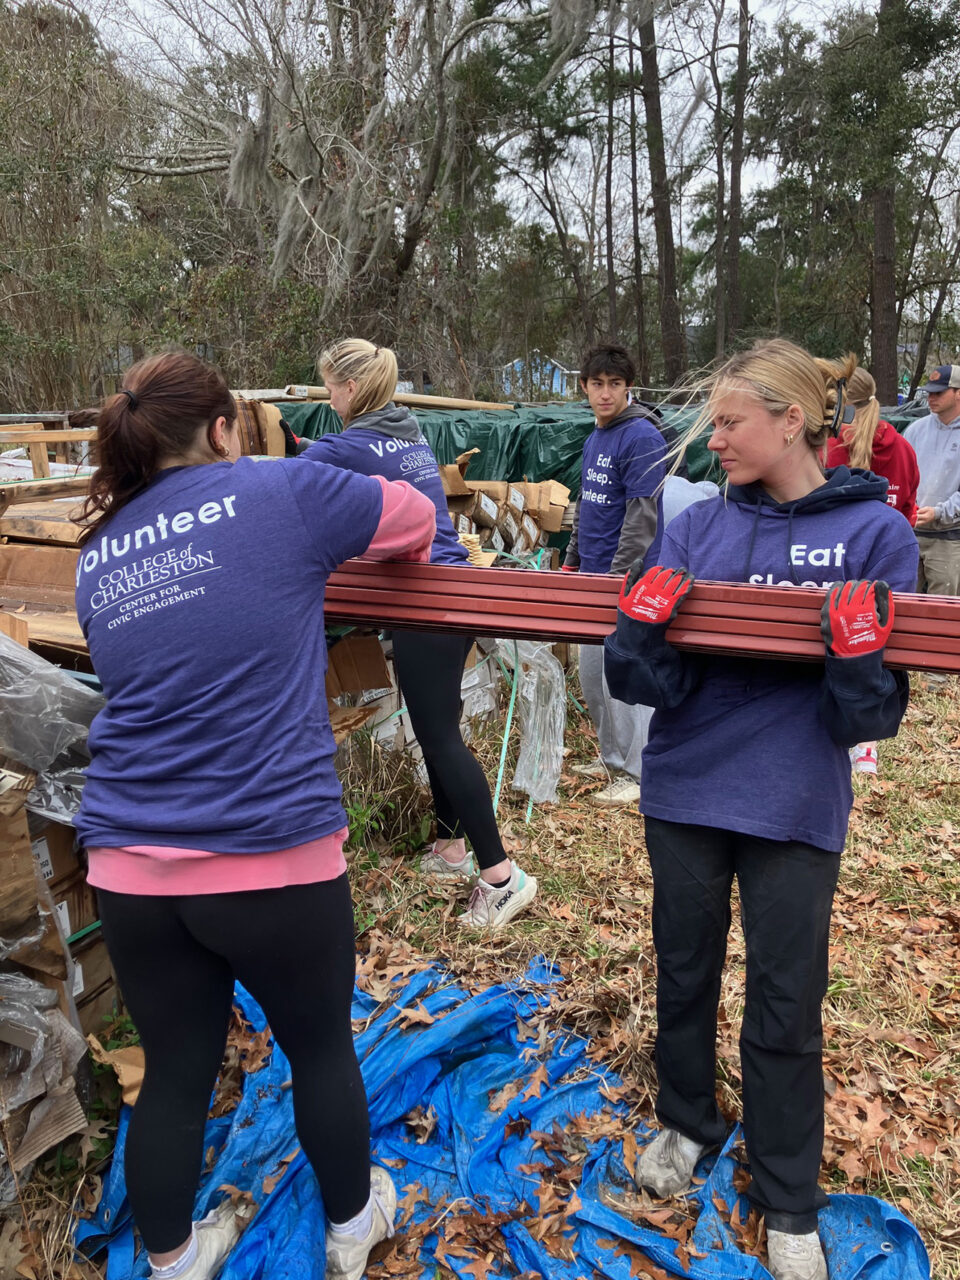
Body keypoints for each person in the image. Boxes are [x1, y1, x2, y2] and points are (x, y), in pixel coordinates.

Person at [74, 352, 438, 1280]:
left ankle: (172, 1260)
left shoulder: (100, 551)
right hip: (267, 846)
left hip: (128, 861)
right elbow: (414, 519)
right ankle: (352, 1229)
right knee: (319, 1049)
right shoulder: (279, 489)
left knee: (175, 1069)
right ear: (224, 429)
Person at [603, 339, 918, 1280]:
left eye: (730, 423)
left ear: (792, 421)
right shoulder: (698, 525)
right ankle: (687, 1122)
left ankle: (788, 1196)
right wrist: (638, 633)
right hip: (687, 787)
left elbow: (869, 719)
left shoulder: (875, 534)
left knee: (786, 999)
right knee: (684, 971)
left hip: (795, 795)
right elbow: (650, 685)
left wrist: (856, 659)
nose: (714, 441)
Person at [300, 339, 537, 931]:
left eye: (330, 388)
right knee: (440, 727)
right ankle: (452, 848)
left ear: (351, 388)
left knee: (439, 737)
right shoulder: (408, 432)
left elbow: (289, 480)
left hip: (422, 601)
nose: (328, 399)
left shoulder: (349, 444)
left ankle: (502, 878)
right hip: (456, 590)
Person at [562, 343, 666, 807]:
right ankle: (612, 757)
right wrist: (572, 559)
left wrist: (618, 577)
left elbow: (642, 517)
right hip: (592, 574)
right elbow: (586, 505)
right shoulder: (596, 437)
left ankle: (639, 770)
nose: (605, 393)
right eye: (597, 384)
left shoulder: (641, 436)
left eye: (615, 384)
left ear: (629, 387)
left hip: (626, 581)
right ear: (584, 387)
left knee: (622, 678)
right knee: (592, 676)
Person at [826, 365, 919, 772]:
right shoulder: (900, 449)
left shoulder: (839, 448)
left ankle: (858, 739)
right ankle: (860, 741)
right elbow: (909, 506)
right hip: (874, 566)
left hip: (851, 568)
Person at [903, 363, 960, 596]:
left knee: (942, 610)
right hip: (909, 534)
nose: (931, 398)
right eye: (929, 392)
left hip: (950, 540)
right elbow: (901, 477)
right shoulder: (914, 430)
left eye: (939, 392)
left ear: (958, 393)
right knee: (901, 604)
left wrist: (939, 512)